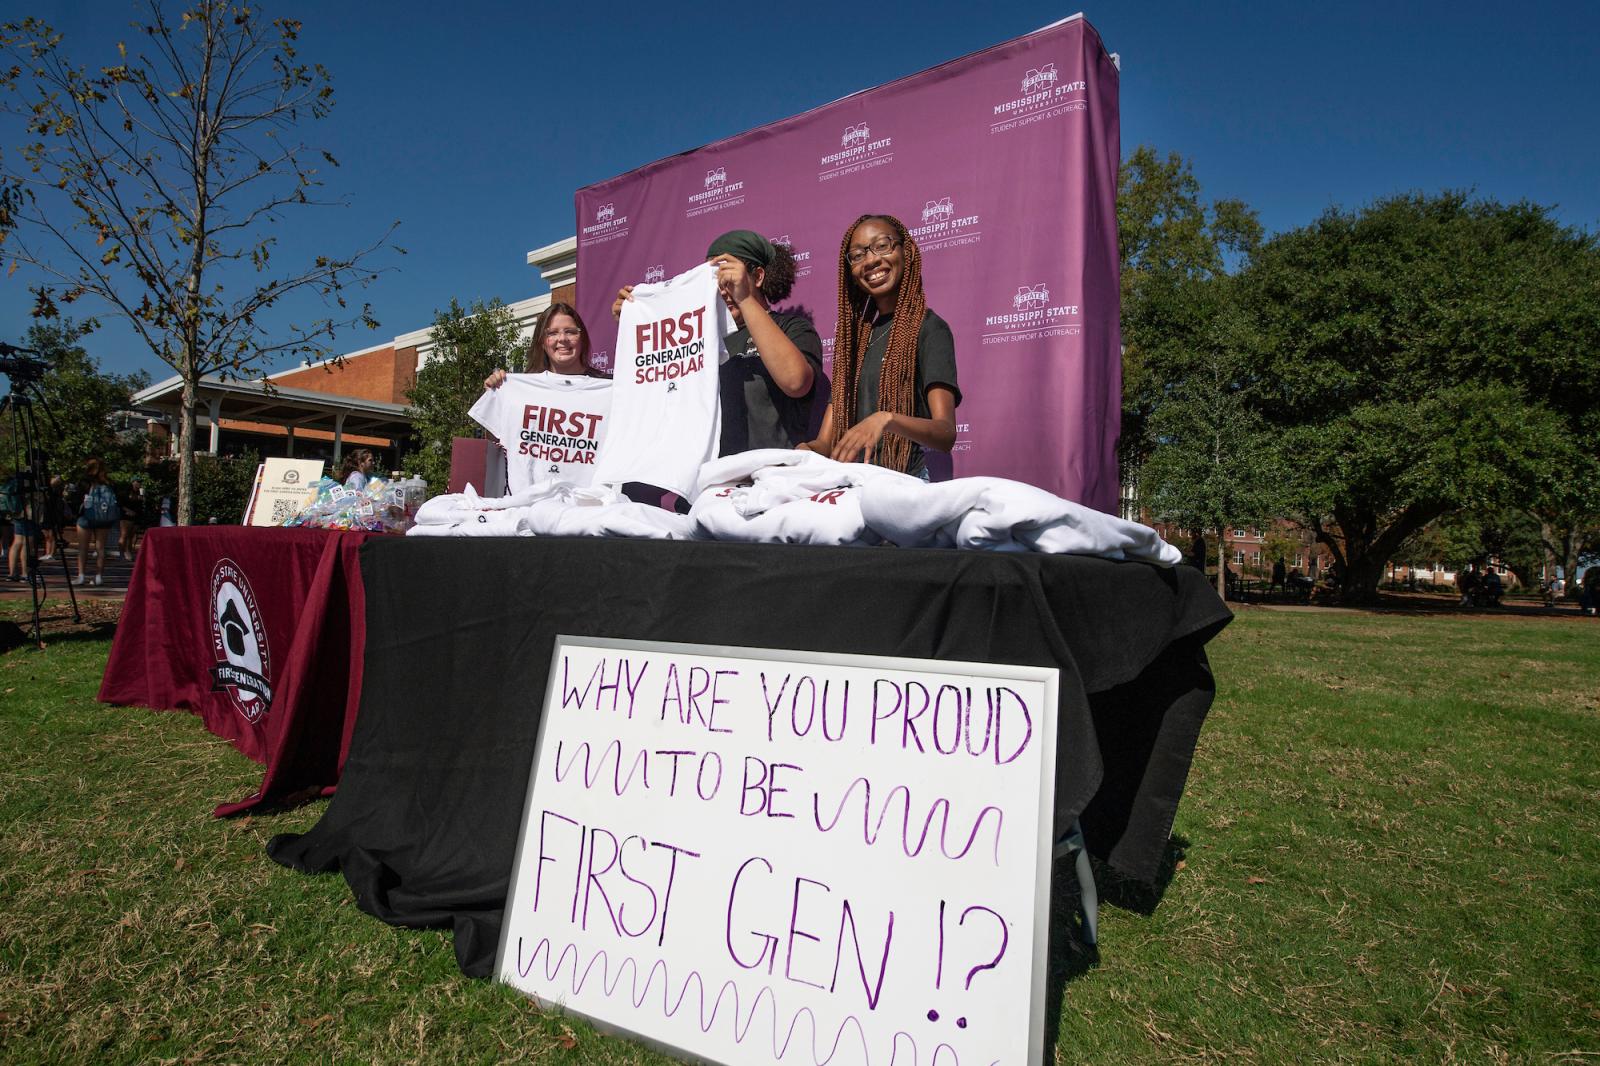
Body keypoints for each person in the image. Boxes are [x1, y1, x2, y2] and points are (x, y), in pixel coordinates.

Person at [610, 231, 821, 453]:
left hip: (774, 469)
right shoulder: (699, 339)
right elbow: (660, 402)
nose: (722, 290)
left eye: (729, 279)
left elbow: (796, 382)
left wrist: (744, 298)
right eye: (714, 280)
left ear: (758, 277)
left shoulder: (792, 328)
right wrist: (636, 324)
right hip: (714, 472)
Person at [799, 214, 960, 476]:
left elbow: (945, 433)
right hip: (852, 486)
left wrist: (887, 419)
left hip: (902, 485)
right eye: (857, 255)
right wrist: (805, 451)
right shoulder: (853, 342)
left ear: (906, 252)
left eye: (882, 246)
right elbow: (825, 443)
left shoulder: (929, 329)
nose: (871, 260)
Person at [483, 302, 607, 389]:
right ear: (541, 342)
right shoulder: (524, 388)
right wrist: (495, 392)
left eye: (570, 332)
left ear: (582, 338)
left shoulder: (608, 385)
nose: (562, 339)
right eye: (552, 333)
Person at [74, 458, 119, 587]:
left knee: (83, 548)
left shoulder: (84, 482)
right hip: (104, 518)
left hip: (86, 517)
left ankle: (81, 575)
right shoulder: (109, 483)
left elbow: (76, 498)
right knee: (100, 548)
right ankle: (98, 576)